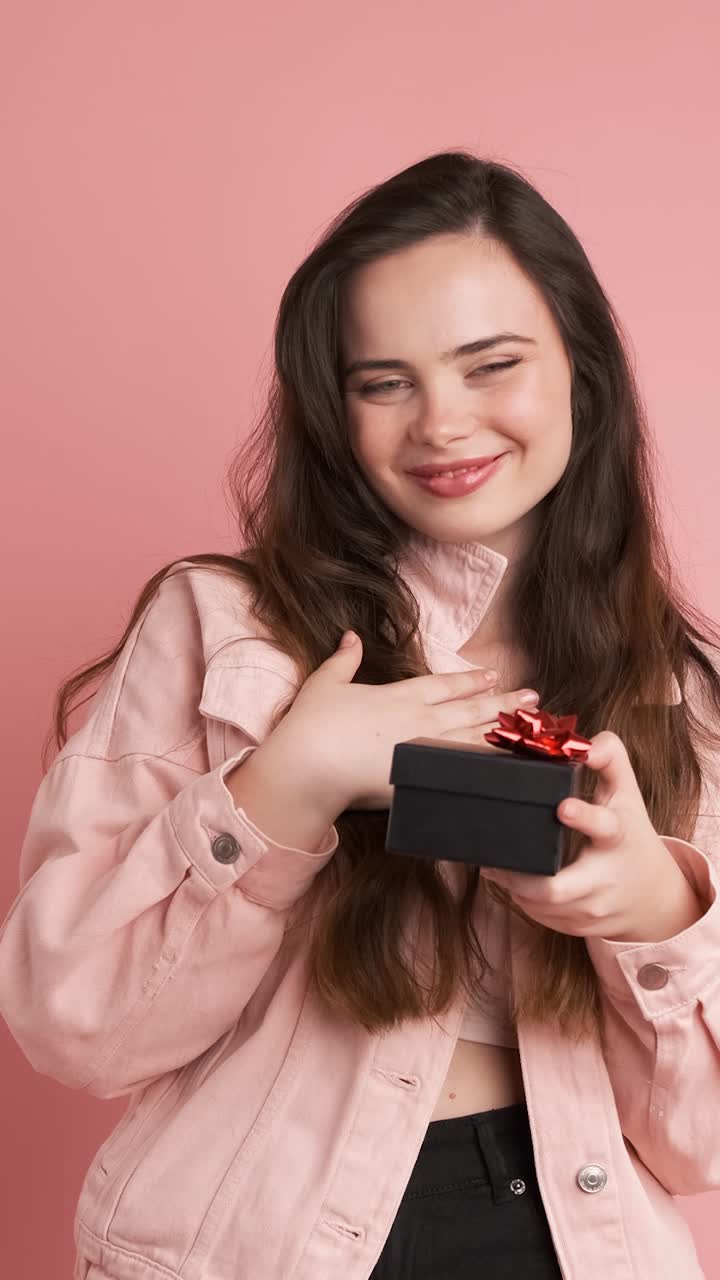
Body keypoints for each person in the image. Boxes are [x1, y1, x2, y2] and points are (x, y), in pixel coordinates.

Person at [1, 151, 720, 1280]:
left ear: (582, 371)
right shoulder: (225, 623)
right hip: (256, 1245)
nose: (441, 421)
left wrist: (653, 907)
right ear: (334, 407)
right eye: (383, 380)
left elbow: (699, 1149)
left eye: (491, 364)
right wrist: (284, 788)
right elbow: (72, 1022)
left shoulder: (681, 690)